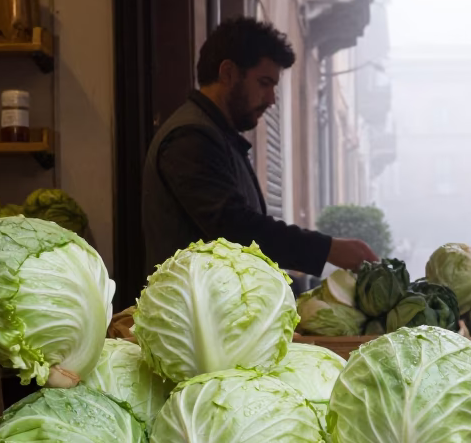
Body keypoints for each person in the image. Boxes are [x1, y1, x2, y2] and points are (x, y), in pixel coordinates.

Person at [142, 17, 377, 274]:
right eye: (264, 83)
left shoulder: (218, 135)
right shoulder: (191, 138)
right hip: (192, 312)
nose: (271, 99)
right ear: (228, 73)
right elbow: (236, 229)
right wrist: (328, 249)